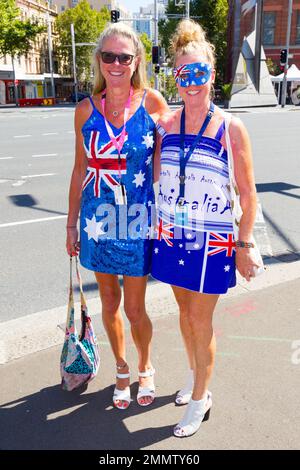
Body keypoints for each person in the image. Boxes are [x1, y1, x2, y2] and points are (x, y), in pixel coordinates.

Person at [151, 19, 260, 437]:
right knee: (183, 312)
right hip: (172, 235)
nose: (192, 82)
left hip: (213, 242)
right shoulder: (167, 126)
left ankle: (201, 398)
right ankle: (196, 375)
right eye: (184, 74)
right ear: (175, 78)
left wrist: (245, 243)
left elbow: (248, 195)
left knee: (200, 320)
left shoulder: (231, 128)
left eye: (199, 73)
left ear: (212, 75)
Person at [66, 22, 168, 410]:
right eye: (108, 56)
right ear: (99, 61)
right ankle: (122, 370)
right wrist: (71, 223)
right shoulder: (83, 110)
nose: (116, 63)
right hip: (96, 220)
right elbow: (78, 169)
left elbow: (169, 157)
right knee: (108, 302)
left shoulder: (153, 103)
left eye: (124, 57)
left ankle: (146, 367)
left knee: (135, 308)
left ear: (136, 61)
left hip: (137, 219)